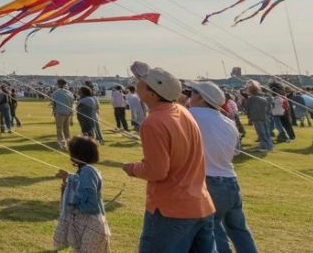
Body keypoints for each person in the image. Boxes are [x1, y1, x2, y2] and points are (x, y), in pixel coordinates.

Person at [120, 61, 216, 252]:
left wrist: (132, 168)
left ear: (152, 94)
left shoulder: (154, 122)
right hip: (200, 204)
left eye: (142, 83)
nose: (136, 84)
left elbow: (157, 171)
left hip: (171, 210)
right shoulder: (182, 112)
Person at [185, 80, 259, 253]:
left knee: (214, 232)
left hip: (207, 180)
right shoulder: (227, 122)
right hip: (230, 180)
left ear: (202, 98)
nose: (189, 96)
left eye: (192, 93)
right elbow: (236, 151)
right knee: (240, 230)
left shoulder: (190, 116)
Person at [52, 136, 112, 252]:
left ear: (78, 155)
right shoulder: (83, 171)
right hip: (84, 225)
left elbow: (89, 203)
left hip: (92, 227)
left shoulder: (88, 171)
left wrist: (71, 184)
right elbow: (78, 188)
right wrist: (67, 182)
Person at [242, 81, 272, 150]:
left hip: (257, 118)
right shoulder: (266, 98)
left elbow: (247, 109)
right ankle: (269, 145)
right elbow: (269, 108)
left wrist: (249, 117)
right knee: (267, 132)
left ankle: (264, 146)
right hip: (265, 117)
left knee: (261, 133)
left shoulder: (251, 99)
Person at [51, 79, 75, 149]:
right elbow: (71, 104)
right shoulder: (70, 93)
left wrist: (54, 112)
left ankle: (61, 142)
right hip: (68, 112)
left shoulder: (55, 93)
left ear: (58, 84)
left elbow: (53, 104)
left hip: (60, 113)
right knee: (66, 128)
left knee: (59, 128)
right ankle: (68, 142)